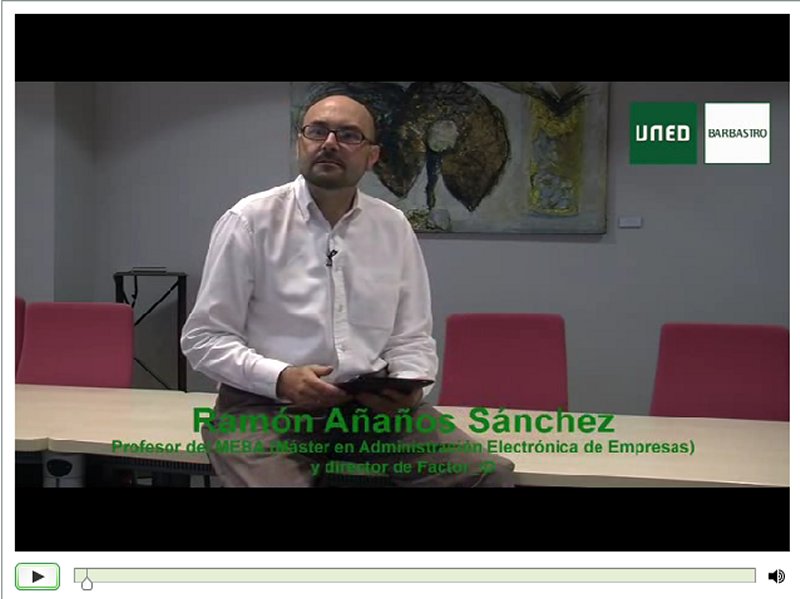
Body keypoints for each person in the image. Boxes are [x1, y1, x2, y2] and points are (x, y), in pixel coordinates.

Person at [181, 94, 514, 487]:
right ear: (300, 143)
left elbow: (410, 337)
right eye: (317, 131)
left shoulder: (392, 227)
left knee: (485, 476)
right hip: (265, 409)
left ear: (372, 156)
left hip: (369, 411)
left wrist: (409, 384)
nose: (329, 143)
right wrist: (281, 377)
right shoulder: (249, 221)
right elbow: (204, 338)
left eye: (349, 135)